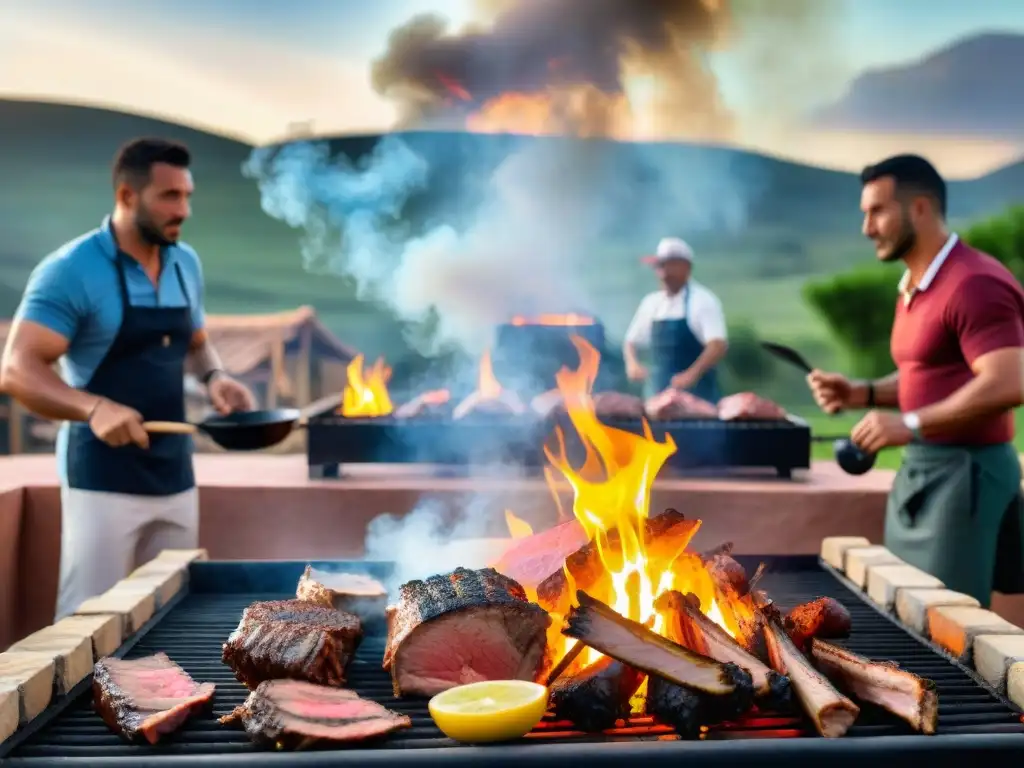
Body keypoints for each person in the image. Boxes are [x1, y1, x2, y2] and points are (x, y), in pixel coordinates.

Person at [0, 137, 255, 620]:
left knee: (173, 615)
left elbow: (195, 343)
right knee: (90, 624)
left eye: (187, 196)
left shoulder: (185, 263)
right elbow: (16, 369)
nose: (184, 210)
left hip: (175, 475)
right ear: (125, 196)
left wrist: (216, 377)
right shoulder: (70, 270)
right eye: (169, 196)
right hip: (102, 479)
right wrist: (93, 408)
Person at [807, 154, 1024, 607]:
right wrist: (862, 393)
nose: (867, 227)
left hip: (965, 474)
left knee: (946, 626)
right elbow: (927, 373)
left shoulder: (973, 283)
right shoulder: (915, 283)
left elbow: (1010, 381)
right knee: (906, 615)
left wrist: (910, 425)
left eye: (877, 211)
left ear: (920, 208)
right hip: (921, 471)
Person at [623, 237, 728, 402]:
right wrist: (632, 364)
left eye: (669, 266)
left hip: (697, 400)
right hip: (656, 396)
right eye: (660, 267)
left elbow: (718, 345)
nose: (663, 273)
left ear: (686, 267)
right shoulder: (651, 303)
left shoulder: (703, 300)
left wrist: (691, 375)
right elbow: (630, 341)